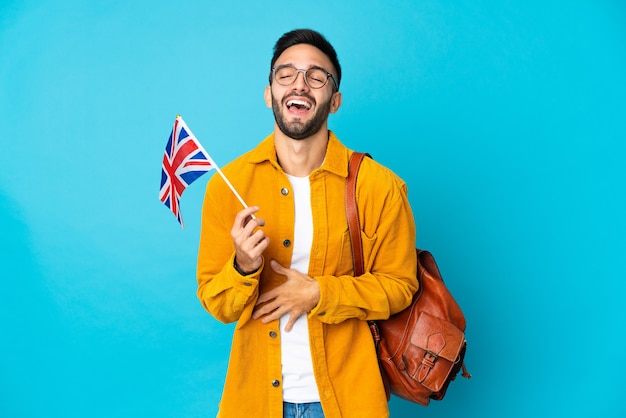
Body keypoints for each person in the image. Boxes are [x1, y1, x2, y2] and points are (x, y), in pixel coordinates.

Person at [196, 28, 418, 418]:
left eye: (316, 76)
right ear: (269, 93)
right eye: (286, 74)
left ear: (334, 101)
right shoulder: (227, 187)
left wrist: (320, 294)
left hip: (349, 401)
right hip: (255, 402)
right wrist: (244, 267)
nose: (300, 84)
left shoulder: (378, 186)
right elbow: (219, 303)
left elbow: (400, 287)